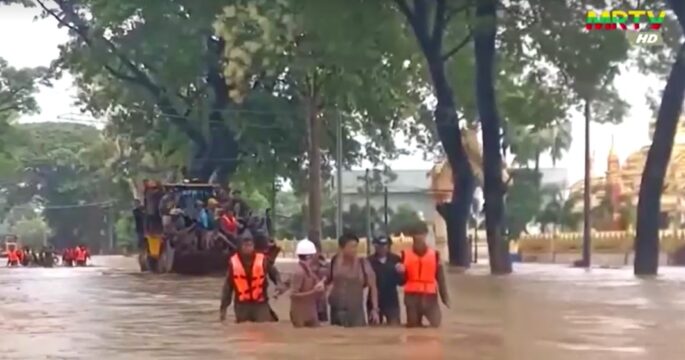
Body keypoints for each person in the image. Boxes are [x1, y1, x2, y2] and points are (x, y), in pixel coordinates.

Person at [220, 231, 285, 323]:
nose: (248, 248)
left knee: (264, 328)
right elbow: (227, 288)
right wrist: (223, 309)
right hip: (241, 306)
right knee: (243, 332)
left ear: (254, 246)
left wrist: (279, 283)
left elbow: (274, 273)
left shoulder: (263, 260)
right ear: (240, 247)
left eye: (250, 245)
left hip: (260, 304)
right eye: (245, 245)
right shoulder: (233, 263)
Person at [396, 222, 449, 328]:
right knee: (413, 327)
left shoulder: (435, 255)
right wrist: (400, 273)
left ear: (426, 234)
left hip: (430, 297)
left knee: (436, 325)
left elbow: (440, 278)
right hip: (412, 297)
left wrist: (445, 298)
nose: (418, 237)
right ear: (412, 236)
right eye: (416, 234)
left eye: (421, 234)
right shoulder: (404, 255)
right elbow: (401, 282)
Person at [326, 233, 380, 327]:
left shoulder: (363, 264)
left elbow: (373, 287)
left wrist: (374, 310)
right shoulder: (334, 261)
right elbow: (327, 280)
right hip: (336, 310)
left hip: (356, 312)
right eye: (351, 247)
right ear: (341, 248)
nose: (354, 250)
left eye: (356, 247)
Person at [367, 235, 403, 325]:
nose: (381, 248)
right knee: (373, 330)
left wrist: (401, 273)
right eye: (378, 245)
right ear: (375, 246)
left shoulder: (396, 259)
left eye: (384, 245)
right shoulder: (369, 261)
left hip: (392, 300)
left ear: (389, 246)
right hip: (373, 301)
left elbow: (402, 282)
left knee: (395, 329)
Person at [289, 239, 325, 327]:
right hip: (300, 313)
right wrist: (313, 292)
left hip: (311, 311)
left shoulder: (309, 270)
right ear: (309, 257)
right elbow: (293, 295)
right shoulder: (299, 272)